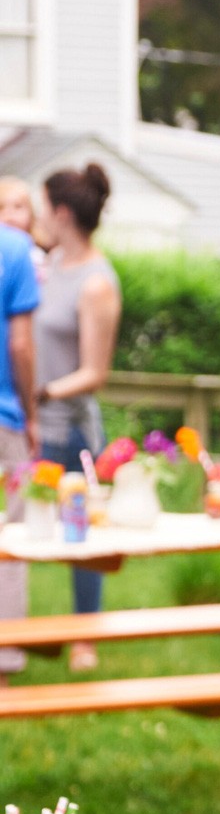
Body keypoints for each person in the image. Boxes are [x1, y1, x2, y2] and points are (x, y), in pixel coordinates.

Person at [33, 163, 121, 669]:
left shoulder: (95, 282)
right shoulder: (45, 266)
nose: (42, 215)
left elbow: (95, 371)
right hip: (31, 425)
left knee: (79, 533)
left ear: (62, 213)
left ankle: (85, 636)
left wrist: (40, 392)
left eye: (46, 206)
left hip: (71, 431)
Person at [0, 202, 39, 683]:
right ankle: (3, 661)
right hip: (5, 419)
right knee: (12, 533)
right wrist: (32, 413)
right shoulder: (14, 248)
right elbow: (21, 345)